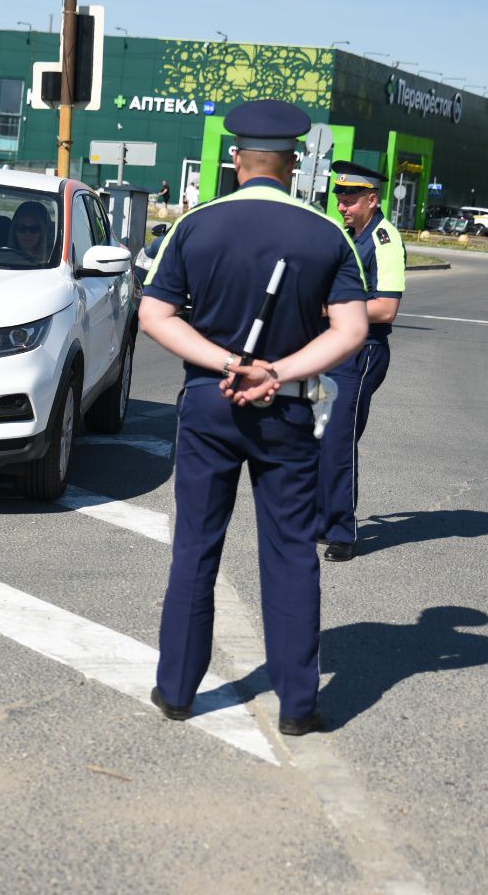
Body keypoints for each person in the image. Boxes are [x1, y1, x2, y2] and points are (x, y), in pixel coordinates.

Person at [140, 99, 369, 736]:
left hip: (212, 402)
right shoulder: (328, 233)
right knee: (293, 552)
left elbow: (156, 317)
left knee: (195, 547)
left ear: (236, 160)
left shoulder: (195, 223)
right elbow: (350, 330)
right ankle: (298, 705)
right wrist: (277, 370)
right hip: (285, 410)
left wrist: (228, 362)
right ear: (293, 166)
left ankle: (178, 690)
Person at [317, 161, 407, 562]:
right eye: (339, 198)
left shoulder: (385, 239)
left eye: (351, 200)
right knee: (317, 435)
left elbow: (386, 308)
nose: (343, 206)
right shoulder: (347, 234)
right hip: (333, 346)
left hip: (362, 352)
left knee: (338, 440)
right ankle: (321, 519)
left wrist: (329, 306)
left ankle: (342, 532)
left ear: (372, 199)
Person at [0, 199, 54, 264]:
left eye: (34, 229)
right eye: (21, 228)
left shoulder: (54, 259)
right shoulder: (0, 255)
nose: (27, 233)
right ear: (14, 231)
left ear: (42, 232)